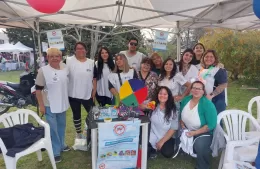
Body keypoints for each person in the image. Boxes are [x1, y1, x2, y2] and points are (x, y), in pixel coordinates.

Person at [35, 48, 70, 163]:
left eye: (57, 56)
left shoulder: (65, 68)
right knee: (52, 129)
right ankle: (55, 151)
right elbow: (38, 90)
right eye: (52, 56)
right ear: (47, 58)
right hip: (49, 104)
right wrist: (41, 105)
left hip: (62, 103)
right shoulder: (43, 71)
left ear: (61, 57)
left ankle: (62, 145)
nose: (55, 58)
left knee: (61, 126)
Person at [180, 81, 217, 169]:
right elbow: (180, 114)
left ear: (203, 91)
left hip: (204, 132)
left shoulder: (208, 104)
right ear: (191, 90)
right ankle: (186, 149)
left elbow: (211, 125)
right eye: (194, 88)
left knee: (200, 145)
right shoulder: (186, 100)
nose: (196, 90)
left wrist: (194, 133)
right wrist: (181, 123)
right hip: (187, 130)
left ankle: (203, 166)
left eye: (199, 89)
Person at [65, 42, 97, 143]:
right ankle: (78, 133)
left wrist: (94, 91)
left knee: (94, 114)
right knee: (76, 114)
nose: (80, 50)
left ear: (86, 50)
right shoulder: (68, 61)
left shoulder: (91, 62)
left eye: (82, 48)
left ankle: (94, 133)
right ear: (75, 50)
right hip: (73, 94)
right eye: (78, 49)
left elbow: (94, 78)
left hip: (87, 94)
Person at [148, 86, 178, 159]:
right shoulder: (153, 105)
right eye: (160, 93)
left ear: (169, 96)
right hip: (153, 133)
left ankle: (171, 145)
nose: (162, 96)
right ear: (157, 95)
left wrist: (162, 141)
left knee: (167, 153)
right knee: (144, 144)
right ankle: (153, 148)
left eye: (165, 94)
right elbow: (142, 106)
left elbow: (173, 128)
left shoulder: (173, 109)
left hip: (167, 135)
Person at [199, 50, 228, 115]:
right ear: (203, 58)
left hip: (217, 101)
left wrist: (211, 95)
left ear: (215, 58)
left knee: (216, 121)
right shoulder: (202, 69)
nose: (209, 58)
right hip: (204, 99)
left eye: (211, 57)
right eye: (206, 56)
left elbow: (223, 85)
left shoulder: (219, 69)